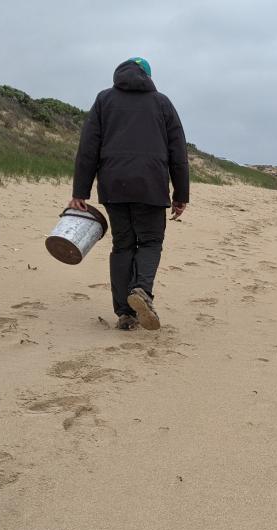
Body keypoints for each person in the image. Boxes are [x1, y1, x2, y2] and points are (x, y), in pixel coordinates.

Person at [69, 57, 189, 331]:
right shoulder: (162, 103)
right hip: (151, 185)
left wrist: (80, 191)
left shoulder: (104, 100)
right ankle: (142, 291)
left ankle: (125, 313)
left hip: (114, 186)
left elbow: (88, 147)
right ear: (148, 76)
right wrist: (181, 195)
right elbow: (178, 154)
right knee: (149, 241)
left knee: (123, 245)